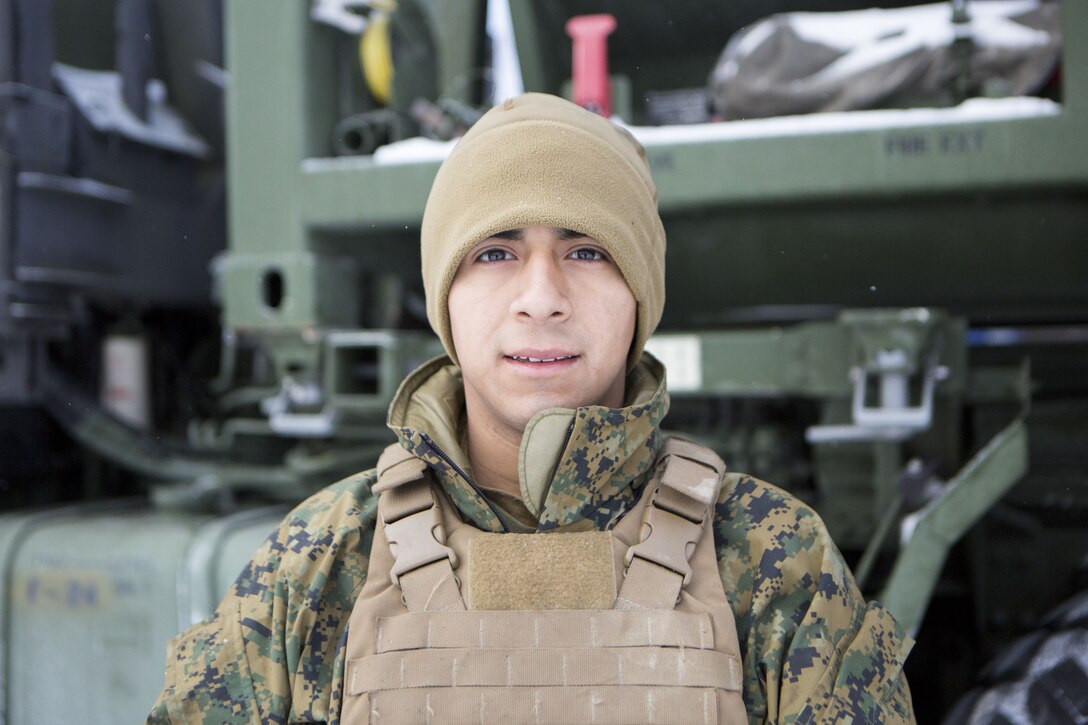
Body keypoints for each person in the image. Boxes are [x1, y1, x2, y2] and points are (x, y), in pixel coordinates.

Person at [148, 93, 916, 724]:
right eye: (495, 252)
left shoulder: (772, 559)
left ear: (640, 292)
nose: (542, 298)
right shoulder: (320, 562)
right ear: (445, 295)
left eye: (587, 250)